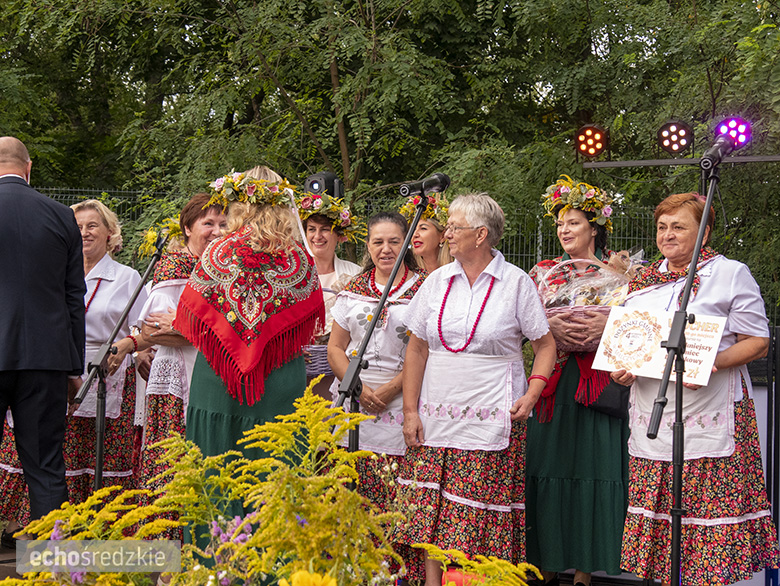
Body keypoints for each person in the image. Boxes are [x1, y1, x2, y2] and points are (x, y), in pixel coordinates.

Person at [611, 192, 779, 585]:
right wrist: (625, 370)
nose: (667, 235)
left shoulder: (730, 273)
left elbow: (758, 340)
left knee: (707, 527)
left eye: (679, 227)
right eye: (662, 227)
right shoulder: (641, 281)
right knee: (664, 532)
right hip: (654, 416)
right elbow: (633, 345)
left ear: (703, 235)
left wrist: (711, 362)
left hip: (710, 412)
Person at [395, 193, 557, 586]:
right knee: (431, 512)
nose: (446, 233)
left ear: (481, 234)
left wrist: (533, 392)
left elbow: (545, 345)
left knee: (475, 516)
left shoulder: (516, 282)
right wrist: (410, 411)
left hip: (492, 417)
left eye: (454, 227)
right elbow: (416, 348)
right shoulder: (436, 281)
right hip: (434, 418)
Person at [0, 198, 147, 532]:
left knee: (78, 457)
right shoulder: (49, 266)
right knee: (41, 456)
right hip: (52, 365)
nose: (84, 232)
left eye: (92, 226)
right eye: (78, 226)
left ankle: (93, 529)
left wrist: (133, 349)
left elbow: (139, 326)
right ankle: (31, 534)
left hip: (97, 372)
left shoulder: (127, 277)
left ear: (110, 232)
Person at [174, 167, 324, 467]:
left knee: (216, 466)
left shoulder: (217, 250)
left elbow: (193, 312)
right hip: (278, 373)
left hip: (220, 374)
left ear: (238, 202)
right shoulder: (299, 258)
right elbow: (311, 322)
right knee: (277, 464)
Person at [524, 176, 630, 586]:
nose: (565, 230)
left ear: (594, 227)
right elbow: (524, 325)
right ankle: (546, 564)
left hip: (598, 386)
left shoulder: (619, 273)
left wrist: (602, 330)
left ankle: (585, 572)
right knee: (546, 465)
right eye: (560, 224)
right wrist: (550, 333)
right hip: (552, 383)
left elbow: (633, 328)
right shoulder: (544, 274)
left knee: (595, 468)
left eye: (574, 223)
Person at [107, 194, 227, 534]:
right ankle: (166, 551)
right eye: (209, 224)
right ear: (188, 228)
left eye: (224, 224)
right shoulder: (176, 267)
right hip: (177, 379)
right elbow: (154, 330)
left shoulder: (229, 269)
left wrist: (187, 325)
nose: (217, 231)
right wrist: (211, 328)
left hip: (214, 374)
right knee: (172, 465)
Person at [0, 137, 85, 545]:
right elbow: (74, 295)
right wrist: (73, 366)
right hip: (45, 357)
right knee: (46, 466)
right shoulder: (60, 216)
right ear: (28, 168)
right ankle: (52, 566)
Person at [327, 211, 425, 511]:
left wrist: (392, 389)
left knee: (395, 492)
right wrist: (357, 387)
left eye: (394, 241)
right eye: (378, 242)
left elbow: (426, 351)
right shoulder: (353, 289)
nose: (386, 249)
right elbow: (336, 348)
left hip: (404, 399)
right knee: (350, 491)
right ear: (368, 246)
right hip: (354, 397)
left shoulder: (425, 289)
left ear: (406, 244)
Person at [296, 188, 363, 397]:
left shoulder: (355, 274)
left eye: (324, 229)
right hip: (299, 369)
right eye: (311, 229)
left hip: (339, 371)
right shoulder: (293, 273)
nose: (317, 236)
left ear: (339, 235)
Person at [399, 191, 452, 272]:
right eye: (413, 230)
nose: (415, 235)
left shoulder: (458, 270)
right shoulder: (405, 272)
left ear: (443, 236)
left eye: (423, 228)